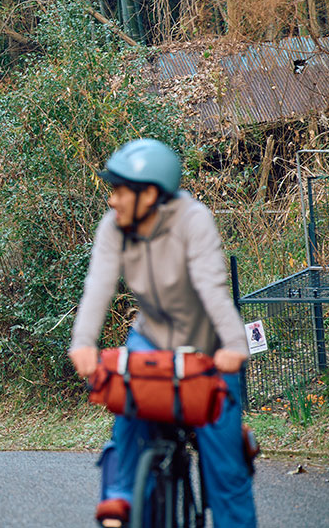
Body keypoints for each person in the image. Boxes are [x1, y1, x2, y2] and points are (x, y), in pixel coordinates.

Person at [68, 138, 256, 528]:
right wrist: (83, 343)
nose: (111, 201)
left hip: (209, 345)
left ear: (150, 194)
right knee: (127, 401)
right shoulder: (114, 228)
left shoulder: (193, 219)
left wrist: (234, 344)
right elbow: (98, 286)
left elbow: (212, 287)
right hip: (151, 336)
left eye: (119, 191)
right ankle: (122, 496)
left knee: (226, 468)